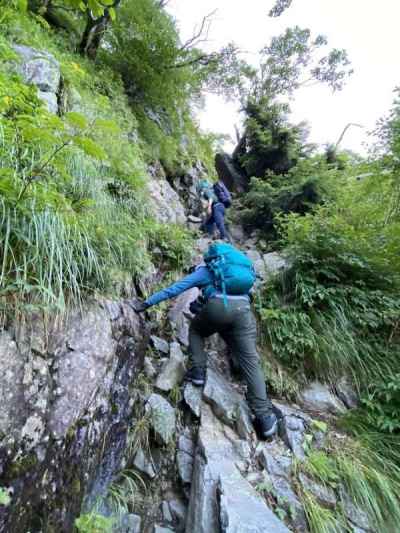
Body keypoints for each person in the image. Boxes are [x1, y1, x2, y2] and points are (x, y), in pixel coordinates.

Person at [130, 243, 278, 439]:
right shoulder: (235, 274)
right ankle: (265, 418)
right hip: (243, 311)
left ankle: (198, 370)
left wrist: (145, 304)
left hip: (218, 309)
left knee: (196, 331)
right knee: (251, 361)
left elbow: (174, 289)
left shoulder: (205, 271)